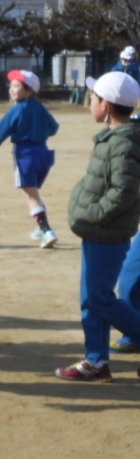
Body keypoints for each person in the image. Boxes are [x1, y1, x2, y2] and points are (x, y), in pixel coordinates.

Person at [56, 72, 140, 381]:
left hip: (108, 233)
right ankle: (96, 361)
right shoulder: (114, 137)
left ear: (106, 105)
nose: (90, 101)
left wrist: (95, 213)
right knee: (91, 298)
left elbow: (124, 191)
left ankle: (99, 357)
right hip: (96, 231)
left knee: (100, 298)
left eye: (94, 97)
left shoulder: (124, 143)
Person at [0, 70, 59, 248]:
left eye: (16, 86)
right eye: (11, 85)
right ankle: (41, 227)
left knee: (31, 195)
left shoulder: (17, 110)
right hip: (44, 153)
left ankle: (47, 230)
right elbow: (54, 128)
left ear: (30, 90)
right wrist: (38, 131)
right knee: (33, 193)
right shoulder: (41, 108)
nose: (11, 89)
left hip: (25, 155)